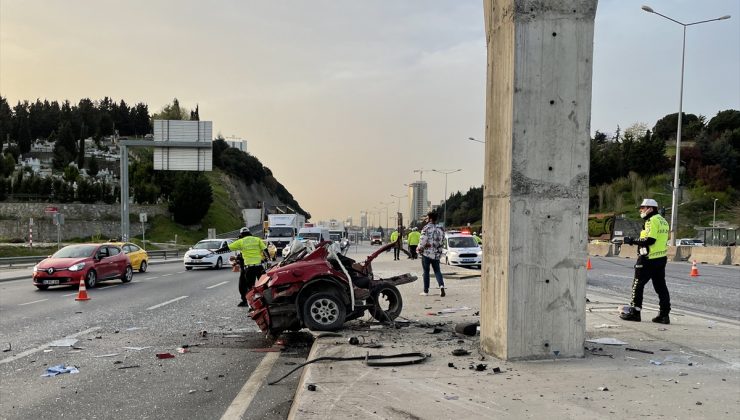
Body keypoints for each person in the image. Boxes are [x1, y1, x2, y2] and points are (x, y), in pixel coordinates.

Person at [620, 198, 671, 324]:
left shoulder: (651, 220)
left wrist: (631, 240)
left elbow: (650, 240)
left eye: (643, 208)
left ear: (650, 208)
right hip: (661, 258)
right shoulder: (663, 221)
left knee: (637, 284)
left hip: (648, 258)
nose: (641, 210)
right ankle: (664, 315)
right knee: (661, 287)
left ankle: (635, 313)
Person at [219, 227, 269, 307]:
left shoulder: (240, 241)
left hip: (247, 267)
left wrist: (216, 252)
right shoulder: (256, 239)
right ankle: (266, 301)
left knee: (249, 287)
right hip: (258, 267)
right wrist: (268, 260)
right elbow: (265, 250)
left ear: (241, 235)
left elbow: (227, 248)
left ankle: (251, 305)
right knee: (264, 284)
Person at [418, 211, 446, 297]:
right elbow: (443, 240)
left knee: (426, 272)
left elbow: (422, 241)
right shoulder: (441, 228)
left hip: (426, 254)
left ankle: (426, 291)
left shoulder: (426, 228)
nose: (426, 219)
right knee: (437, 271)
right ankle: (441, 286)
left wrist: (419, 249)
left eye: (427, 218)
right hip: (436, 254)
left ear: (430, 218)